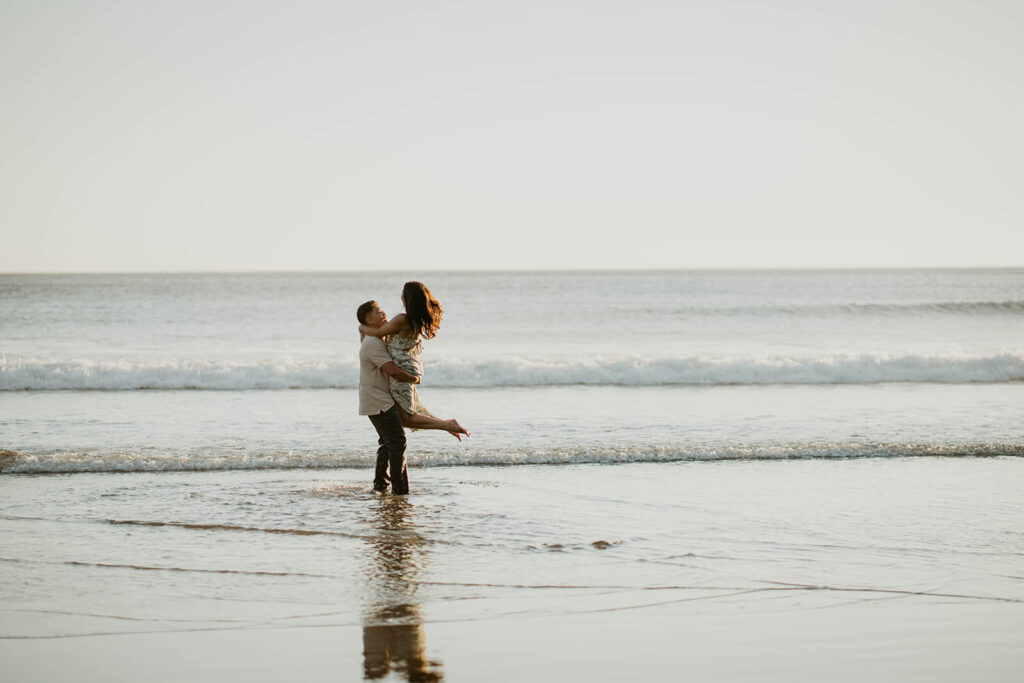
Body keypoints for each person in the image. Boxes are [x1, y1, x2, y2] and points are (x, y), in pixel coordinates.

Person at [357, 296, 467, 495]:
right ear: (369, 320)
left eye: (382, 310)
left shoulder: (377, 338)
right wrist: (413, 379)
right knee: (398, 442)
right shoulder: (374, 343)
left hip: (376, 399)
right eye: (377, 312)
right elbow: (393, 371)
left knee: (388, 442)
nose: (383, 313)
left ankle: (380, 485)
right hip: (378, 400)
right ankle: (399, 491)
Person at [358, 282, 469, 441]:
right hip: (408, 368)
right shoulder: (414, 321)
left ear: (407, 298)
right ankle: (447, 425)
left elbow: (378, 332)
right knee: (404, 418)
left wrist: (361, 328)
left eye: (403, 293)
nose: (401, 296)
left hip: (402, 372)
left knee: (407, 419)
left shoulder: (401, 320)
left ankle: (448, 425)